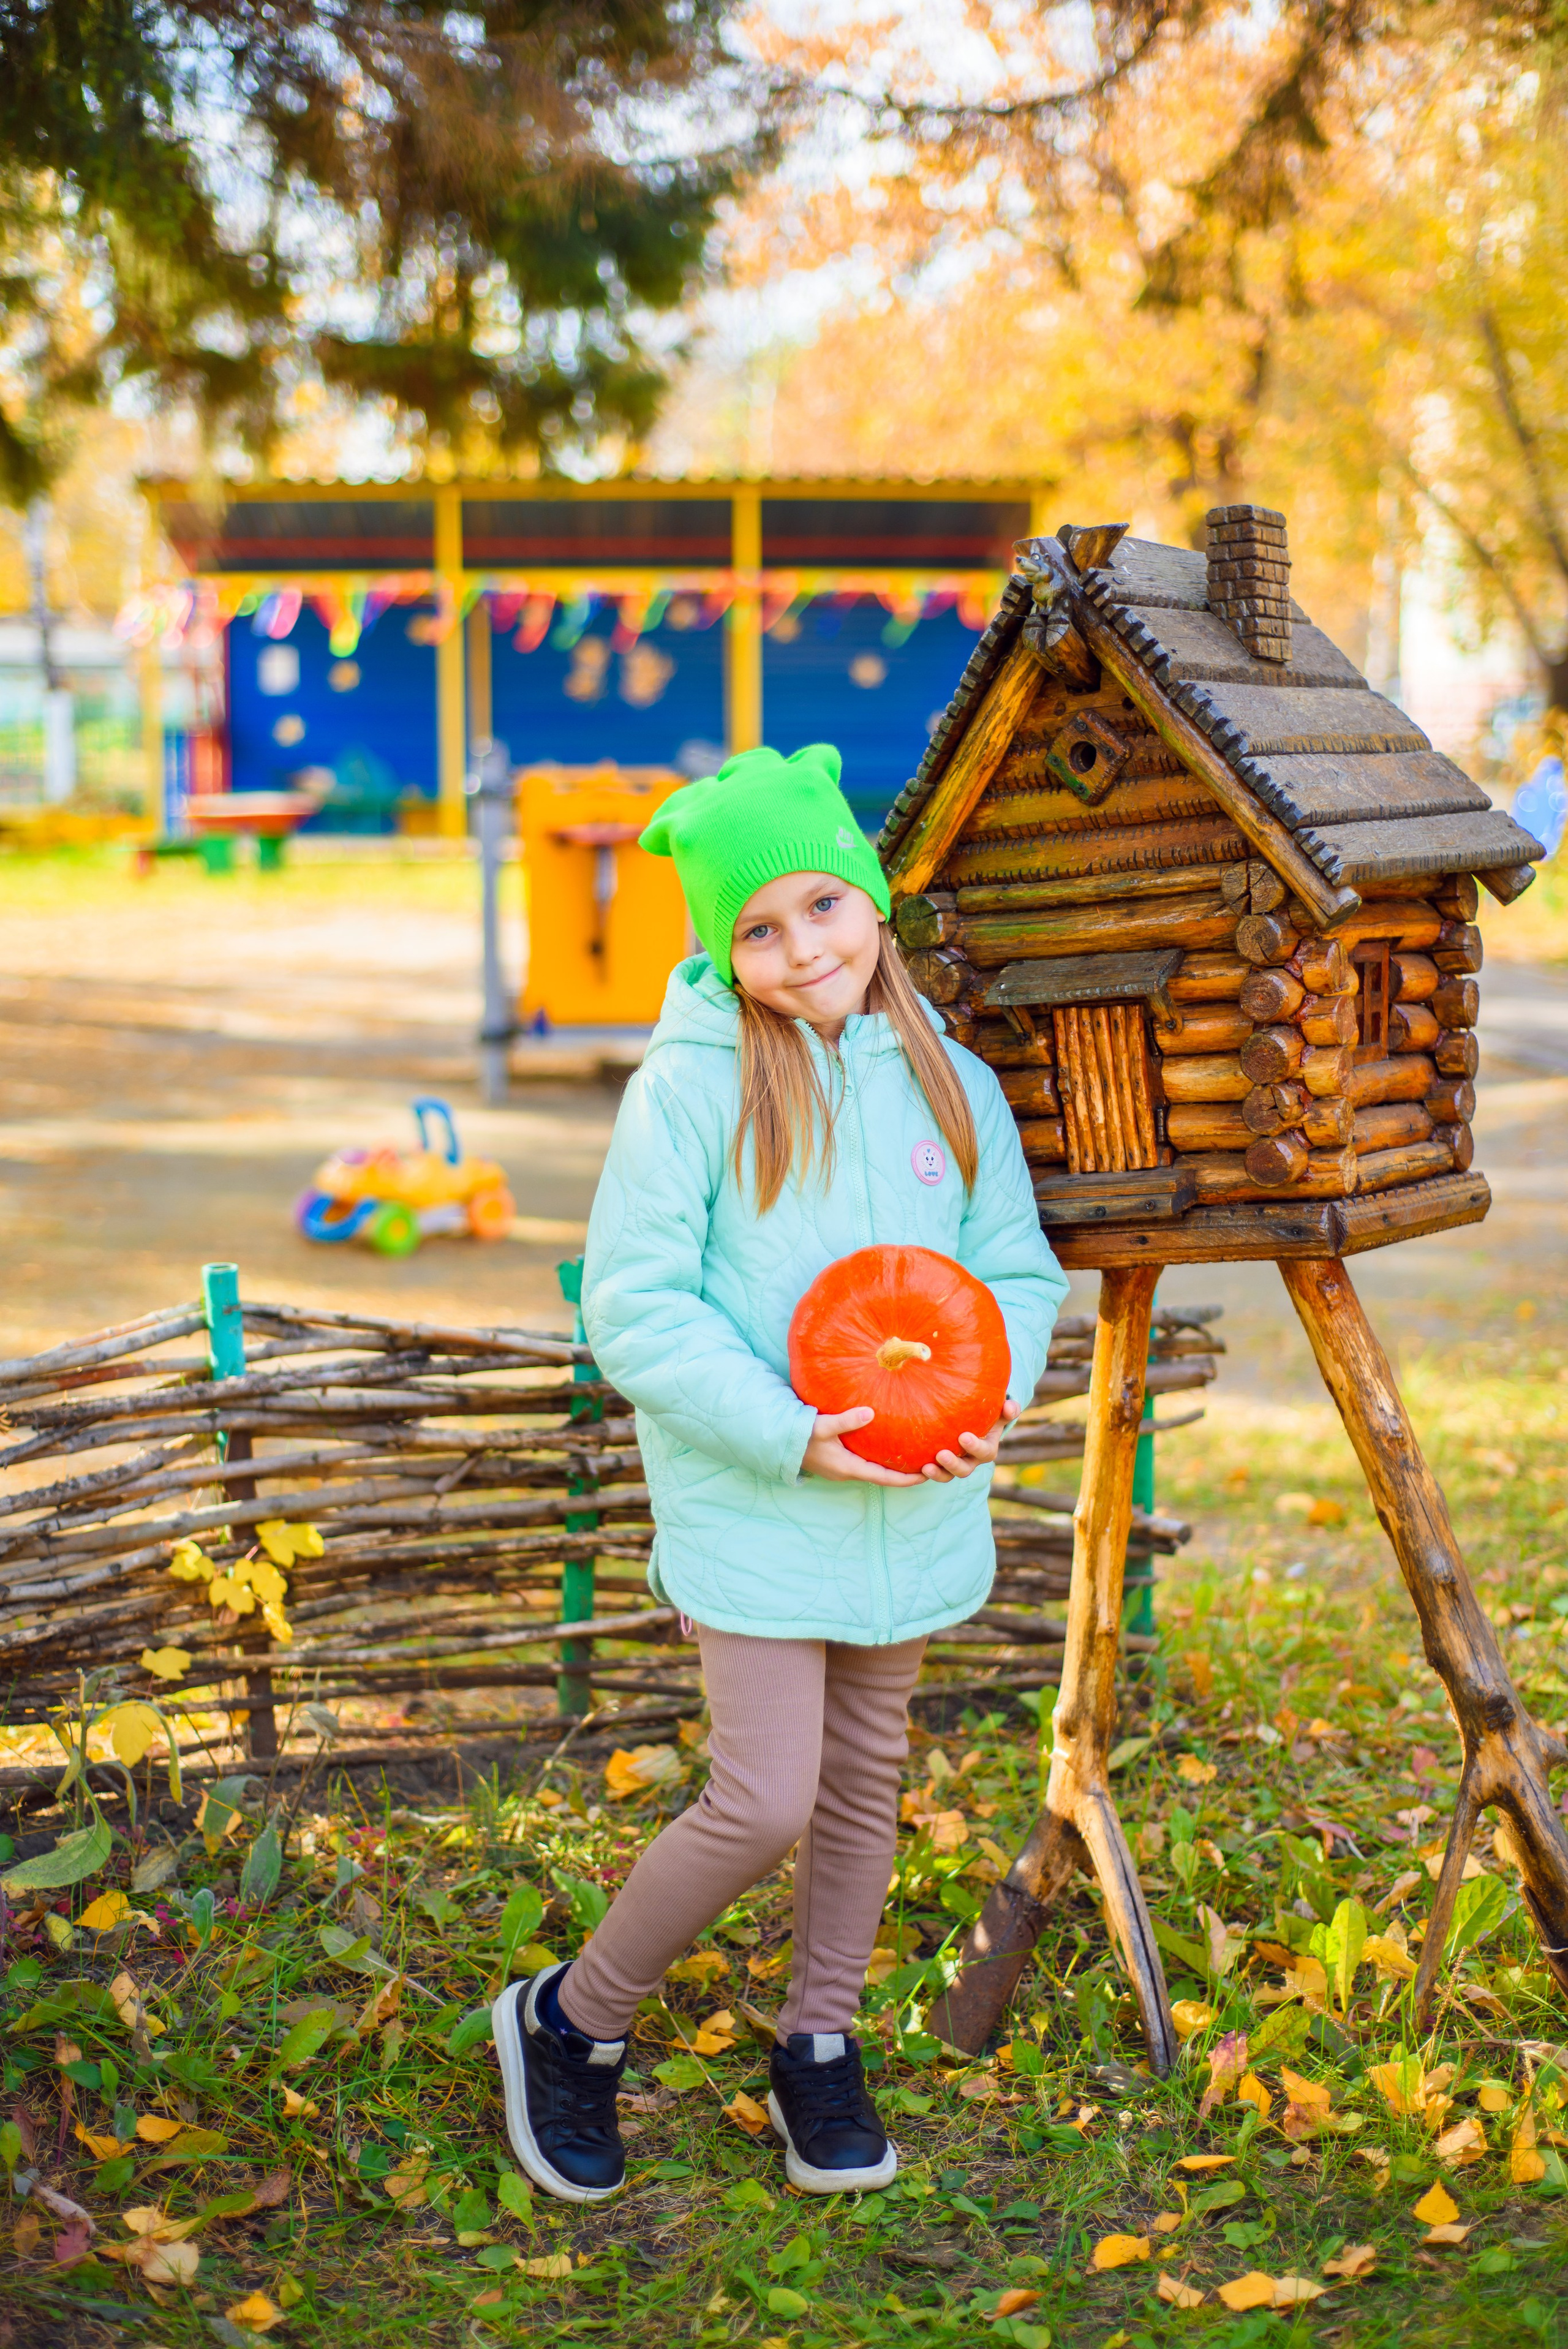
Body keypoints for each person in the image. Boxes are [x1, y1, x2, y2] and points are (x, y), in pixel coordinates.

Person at [492, 743, 1067, 2204]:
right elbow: (634, 1303)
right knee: (760, 1797)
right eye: (758, 927)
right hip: (757, 1497)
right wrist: (782, 1426)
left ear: (870, 897)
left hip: (914, 1493)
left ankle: (819, 2039)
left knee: (866, 1782)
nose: (801, 946)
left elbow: (1011, 1268)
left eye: (822, 904)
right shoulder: (688, 1089)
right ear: (718, 948)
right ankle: (571, 2019)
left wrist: (988, 1390)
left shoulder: (950, 1077)